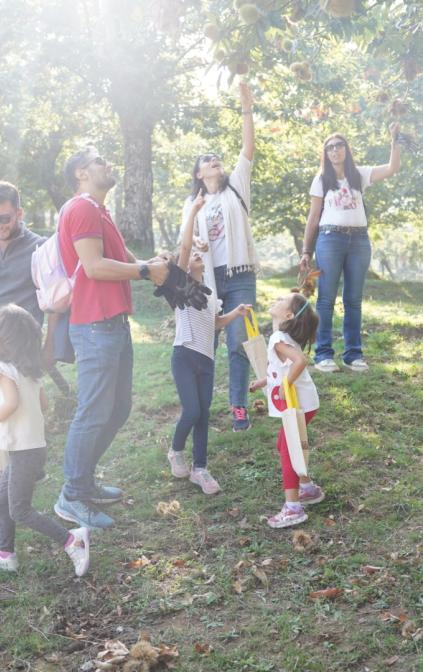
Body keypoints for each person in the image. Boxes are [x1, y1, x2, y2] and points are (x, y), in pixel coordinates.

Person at [54, 146, 169, 530]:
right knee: (93, 412)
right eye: (100, 160)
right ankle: (71, 495)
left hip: (112, 323)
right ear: (82, 173)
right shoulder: (82, 206)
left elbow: (119, 257)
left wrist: (151, 264)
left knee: (117, 408)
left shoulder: (100, 210)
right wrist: (143, 271)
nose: (108, 164)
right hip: (94, 325)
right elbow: (94, 266)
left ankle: (83, 481)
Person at [181, 82, 259, 432]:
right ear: (199, 173)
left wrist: (246, 107)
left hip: (239, 274)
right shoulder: (193, 204)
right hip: (208, 280)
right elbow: (186, 243)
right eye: (206, 160)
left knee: (239, 340)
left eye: (216, 158)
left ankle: (239, 406)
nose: (214, 160)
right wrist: (193, 234)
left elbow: (248, 148)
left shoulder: (236, 187)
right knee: (205, 343)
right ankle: (200, 407)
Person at [168, 190, 252, 494]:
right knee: (191, 410)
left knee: (203, 415)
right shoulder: (180, 287)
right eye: (191, 256)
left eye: (199, 255)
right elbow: (186, 246)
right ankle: (175, 451)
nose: (196, 255)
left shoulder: (210, 293)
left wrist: (236, 313)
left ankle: (200, 469)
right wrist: (193, 212)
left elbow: (215, 323)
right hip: (185, 355)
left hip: (206, 359)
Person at [300, 125, 401, 372]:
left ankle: (353, 354)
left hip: (359, 241)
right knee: (326, 299)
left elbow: (391, 168)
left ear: (346, 149)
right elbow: (313, 218)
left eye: (339, 145)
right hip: (329, 239)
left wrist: (395, 140)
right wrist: (306, 251)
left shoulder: (359, 174)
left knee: (353, 299)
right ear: (326, 153)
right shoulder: (321, 179)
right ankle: (323, 354)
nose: (335, 150)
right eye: (330, 147)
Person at [0, 304, 90, 576]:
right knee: (2, 498)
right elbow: (44, 404)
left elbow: (12, 403)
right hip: (32, 448)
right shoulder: (31, 370)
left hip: (23, 451)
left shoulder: (4, 369)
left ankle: (72, 540)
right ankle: (6, 552)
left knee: (19, 510)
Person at [250, 293, 323, 528]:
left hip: (298, 404)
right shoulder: (283, 337)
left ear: (288, 314)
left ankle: (293, 508)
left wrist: (286, 384)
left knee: (287, 449)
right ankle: (307, 488)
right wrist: (264, 382)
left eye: (282, 299)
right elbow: (281, 367)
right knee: (286, 445)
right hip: (305, 403)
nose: (277, 298)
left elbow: (301, 361)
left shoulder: (279, 338)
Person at [0, 181, 57, 368]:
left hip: (21, 350)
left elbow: (54, 304)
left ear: (19, 214)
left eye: (4, 219)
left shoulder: (40, 248)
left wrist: (49, 349)